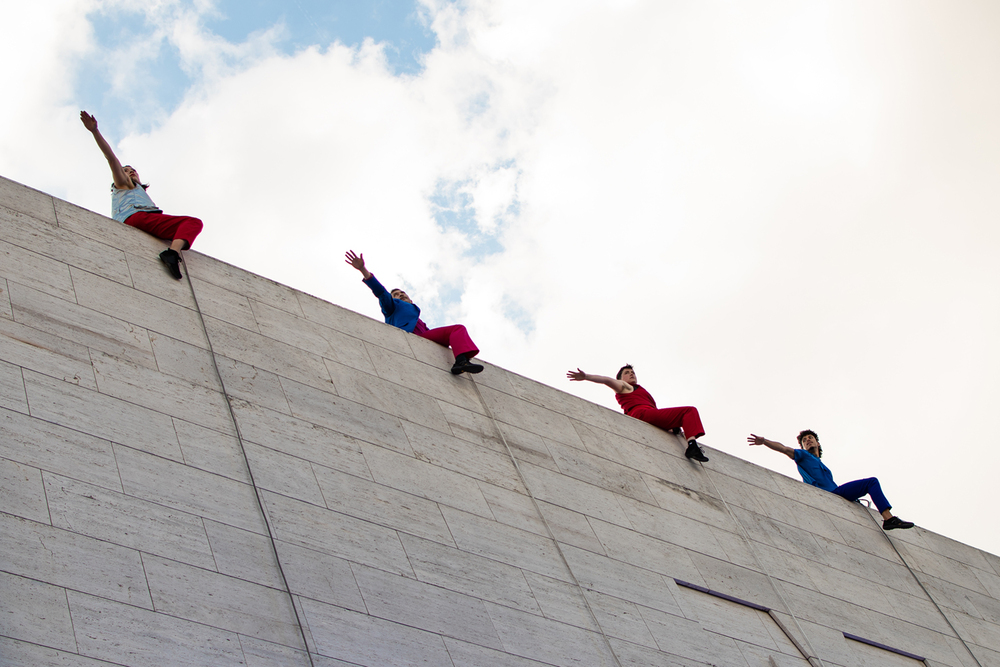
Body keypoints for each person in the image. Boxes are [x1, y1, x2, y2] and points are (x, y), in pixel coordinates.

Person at [80, 110, 203, 280]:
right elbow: (111, 158)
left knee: (183, 229)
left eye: (133, 171)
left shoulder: (137, 190)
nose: (130, 172)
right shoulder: (124, 184)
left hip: (139, 220)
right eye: (126, 170)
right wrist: (95, 131)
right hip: (137, 217)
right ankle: (172, 254)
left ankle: (172, 251)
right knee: (192, 222)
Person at [345, 250, 484, 375]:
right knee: (457, 328)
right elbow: (380, 292)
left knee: (457, 330)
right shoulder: (391, 307)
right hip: (407, 337)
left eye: (402, 293)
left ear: (410, 299)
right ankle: (461, 361)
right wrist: (363, 269)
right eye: (396, 295)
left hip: (423, 336)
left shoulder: (417, 317)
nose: (400, 295)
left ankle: (461, 361)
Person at [747, 430, 914, 531]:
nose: (807, 440)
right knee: (871, 482)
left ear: (818, 442)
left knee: (871, 483)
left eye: (810, 438)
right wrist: (764, 442)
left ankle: (887, 517)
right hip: (828, 494)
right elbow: (784, 448)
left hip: (838, 493)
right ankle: (889, 519)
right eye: (804, 440)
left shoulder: (821, 463)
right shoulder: (802, 456)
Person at [567, 364, 709, 461]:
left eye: (632, 372)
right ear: (621, 378)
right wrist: (586, 376)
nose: (631, 374)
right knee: (689, 411)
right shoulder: (624, 386)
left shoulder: (640, 390)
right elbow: (606, 380)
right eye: (627, 373)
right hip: (640, 413)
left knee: (678, 423)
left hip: (649, 414)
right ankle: (692, 446)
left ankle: (688, 441)